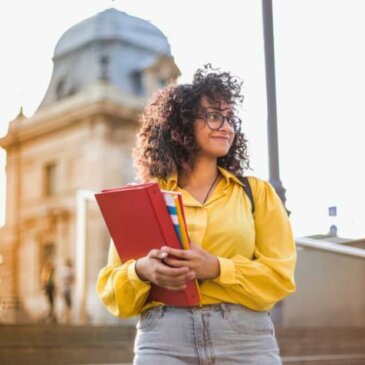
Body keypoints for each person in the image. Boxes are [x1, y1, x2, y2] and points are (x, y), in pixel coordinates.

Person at [96, 64, 296, 364]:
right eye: (214, 116)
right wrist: (142, 271)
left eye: (230, 118)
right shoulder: (145, 199)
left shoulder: (256, 193)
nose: (226, 126)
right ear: (182, 124)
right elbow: (113, 291)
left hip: (244, 339)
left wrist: (216, 267)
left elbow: (280, 278)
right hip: (163, 338)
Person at [58, 258, 74, 323]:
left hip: (62, 289)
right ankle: (67, 317)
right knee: (68, 304)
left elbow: (59, 280)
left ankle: (64, 317)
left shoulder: (62, 270)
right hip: (67, 289)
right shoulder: (69, 270)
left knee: (64, 303)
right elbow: (73, 279)